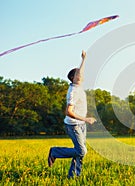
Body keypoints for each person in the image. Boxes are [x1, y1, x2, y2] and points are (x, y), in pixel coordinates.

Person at [47, 50, 96, 178]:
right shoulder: (73, 92)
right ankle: (55, 152)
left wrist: (84, 59)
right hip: (73, 125)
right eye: (78, 74)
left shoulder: (78, 85)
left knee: (80, 153)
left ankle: (73, 176)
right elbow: (68, 112)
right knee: (82, 151)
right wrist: (86, 119)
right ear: (73, 78)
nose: (82, 75)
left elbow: (81, 72)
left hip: (81, 125)